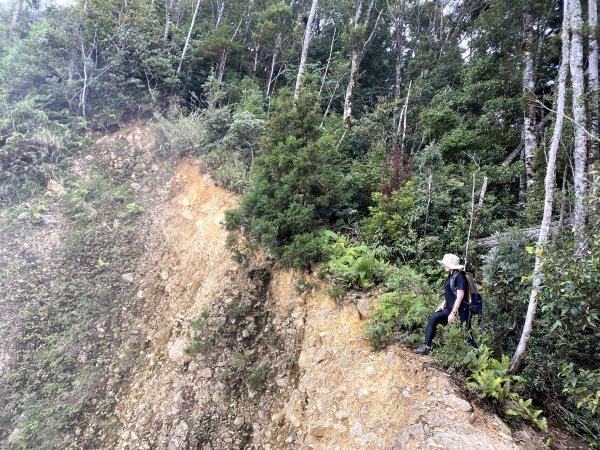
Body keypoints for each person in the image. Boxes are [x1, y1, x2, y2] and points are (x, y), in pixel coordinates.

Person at [413, 253, 468, 355]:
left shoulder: (460, 277)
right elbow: (451, 292)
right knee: (433, 318)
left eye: (445, 264)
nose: (443, 266)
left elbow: (460, 296)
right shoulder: (451, 275)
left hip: (459, 311)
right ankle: (426, 346)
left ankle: (467, 356)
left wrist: (453, 313)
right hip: (449, 308)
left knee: (465, 334)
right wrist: (443, 304)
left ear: (451, 265)